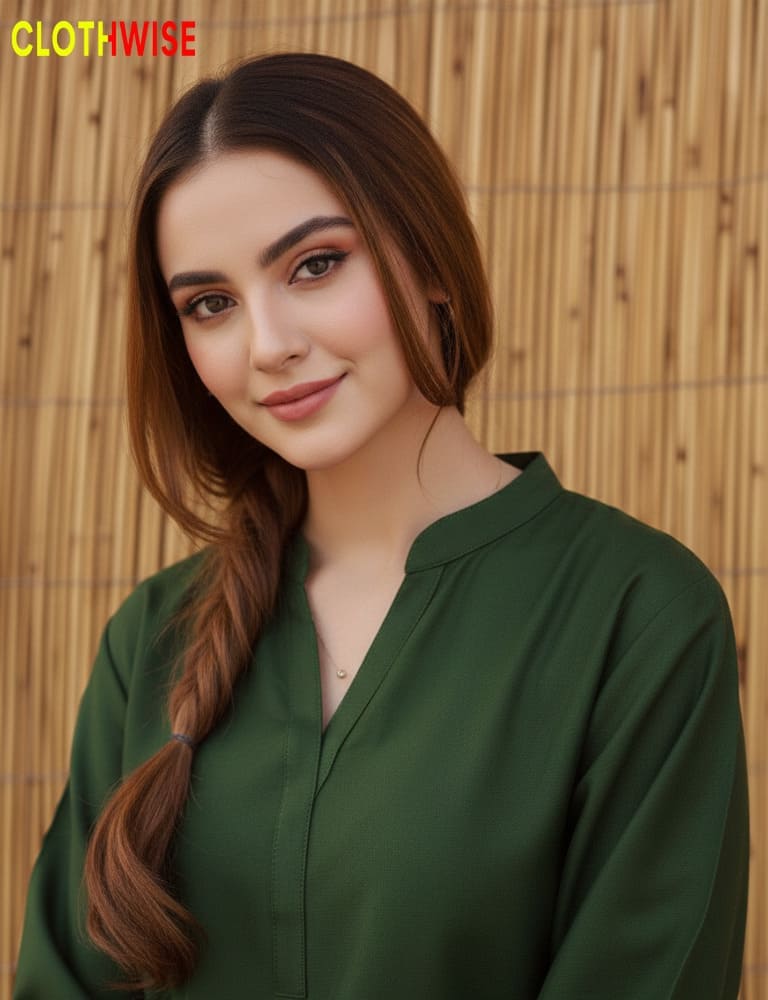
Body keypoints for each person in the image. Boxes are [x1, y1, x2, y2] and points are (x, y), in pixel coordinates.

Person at [14, 52, 749, 1000]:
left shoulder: (636, 615)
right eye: (211, 304)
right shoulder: (150, 643)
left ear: (431, 256)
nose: (268, 342)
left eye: (315, 264)